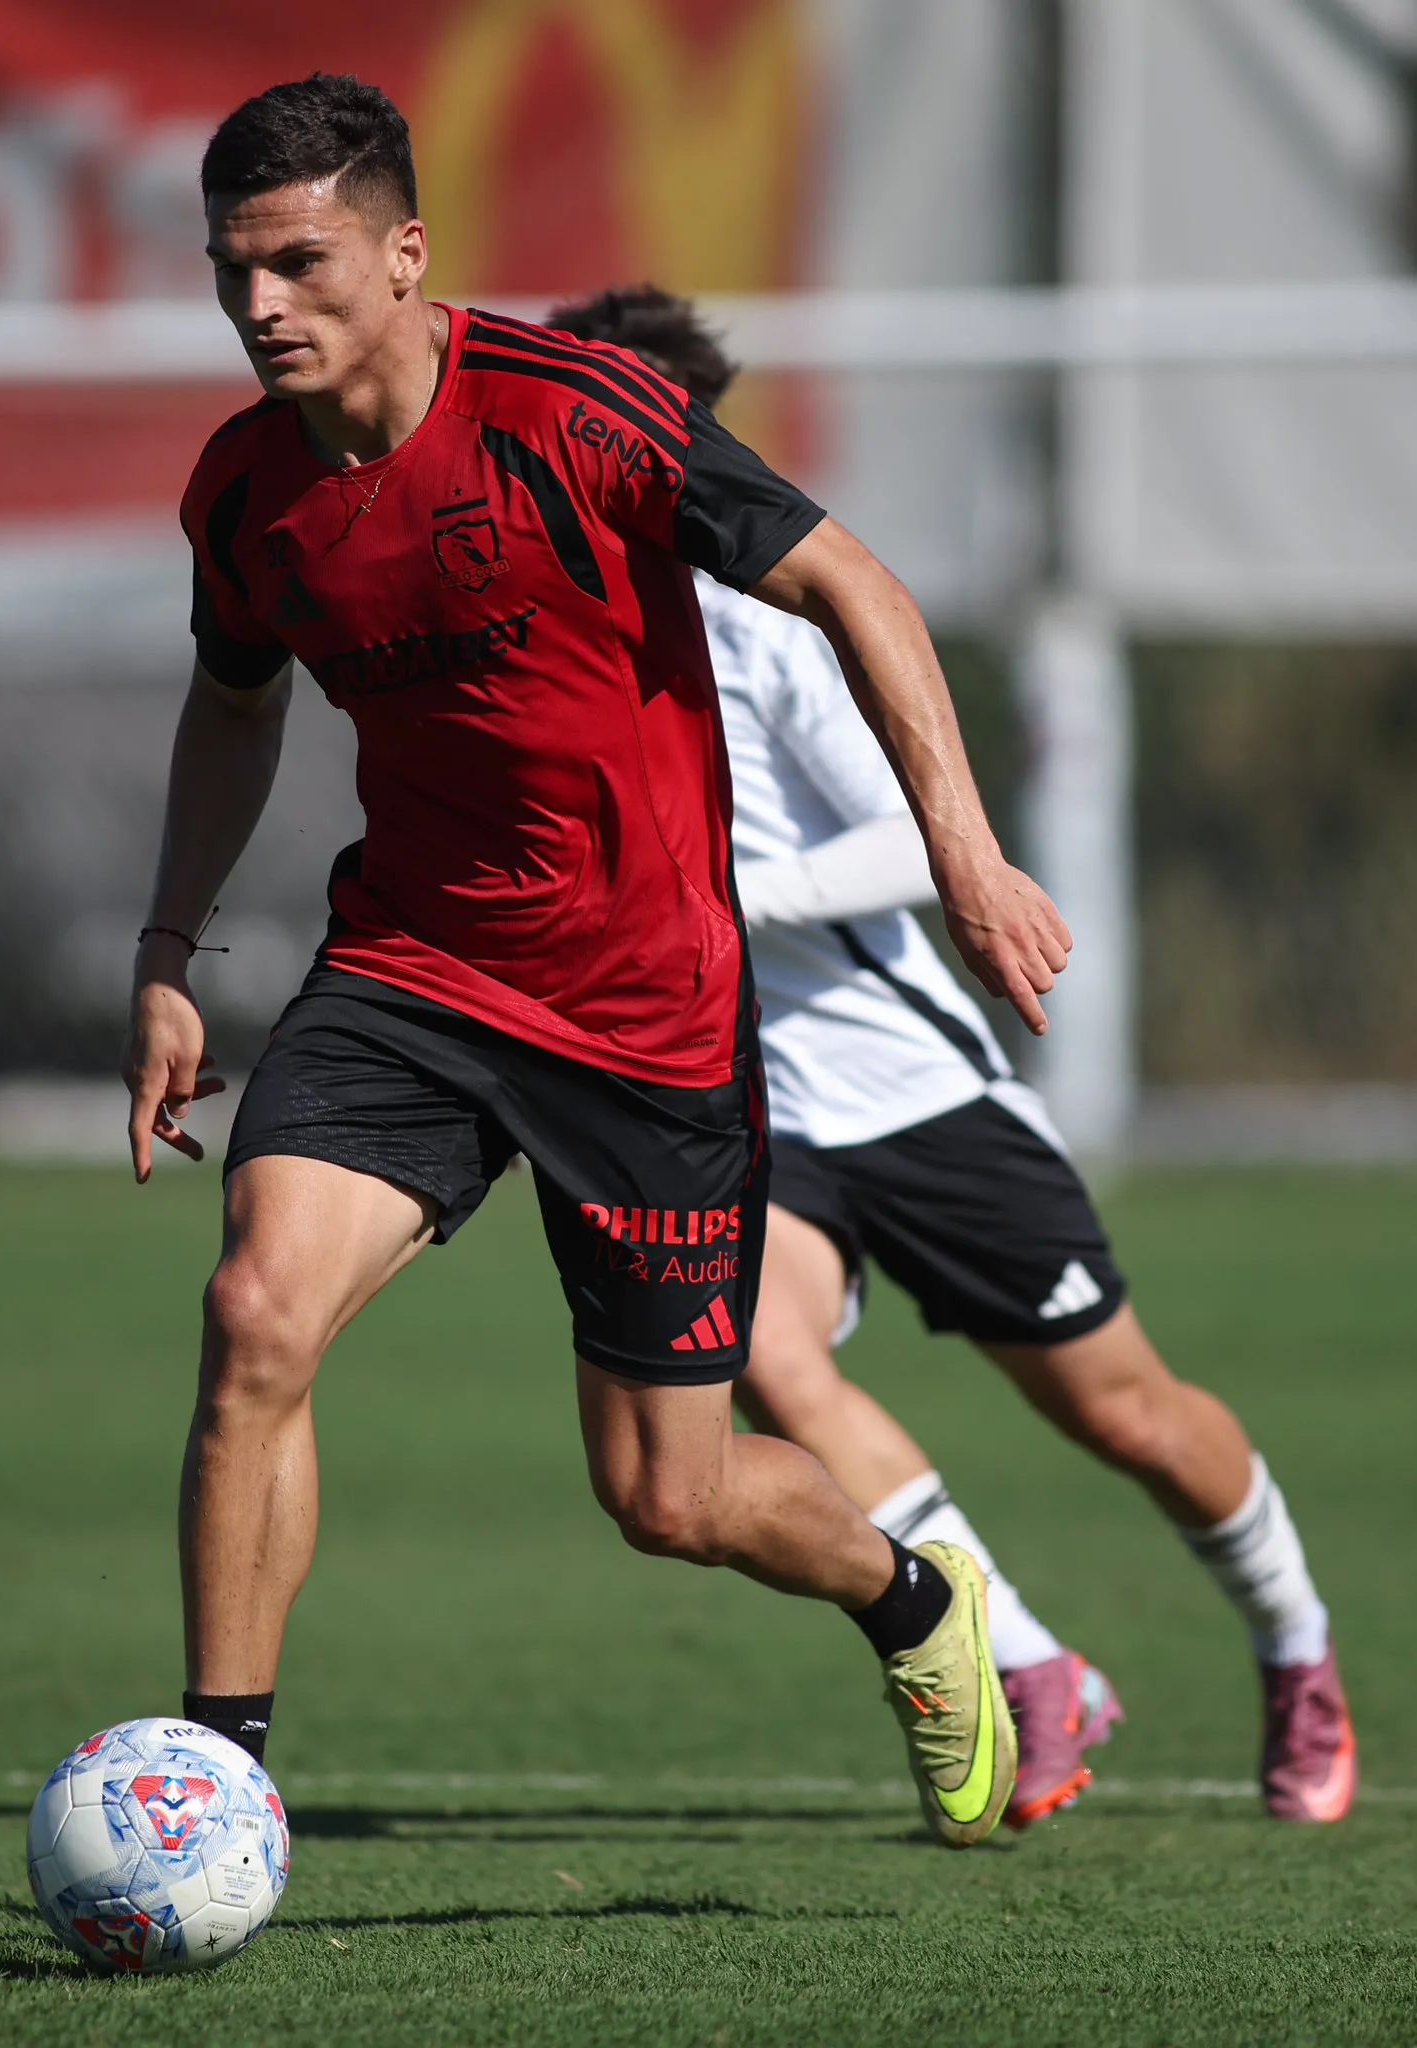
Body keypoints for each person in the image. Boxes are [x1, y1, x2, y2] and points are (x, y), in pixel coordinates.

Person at [122, 75, 1073, 1848]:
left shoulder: (580, 415)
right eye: (230, 272)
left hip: (642, 1017)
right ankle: (214, 1781)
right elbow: (231, 704)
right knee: (255, 1314)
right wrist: (171, 948)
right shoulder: (243, 494)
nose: (261, 307)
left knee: (669, 1495)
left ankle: (911, 1601)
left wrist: (961, 847)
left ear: (406, 254)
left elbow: (855, 582)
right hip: (409, 976)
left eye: (301, 264)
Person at [548, 285, 1356, 1828]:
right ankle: (1037, 1662)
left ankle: (1293, 1646)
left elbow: (906, 847)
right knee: (762, 1369)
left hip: (916, 1100)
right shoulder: (558, 637)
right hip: (746, 1115)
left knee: (1130, 1419)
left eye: (622, 423)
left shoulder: (767, 624)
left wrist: (709, 902)